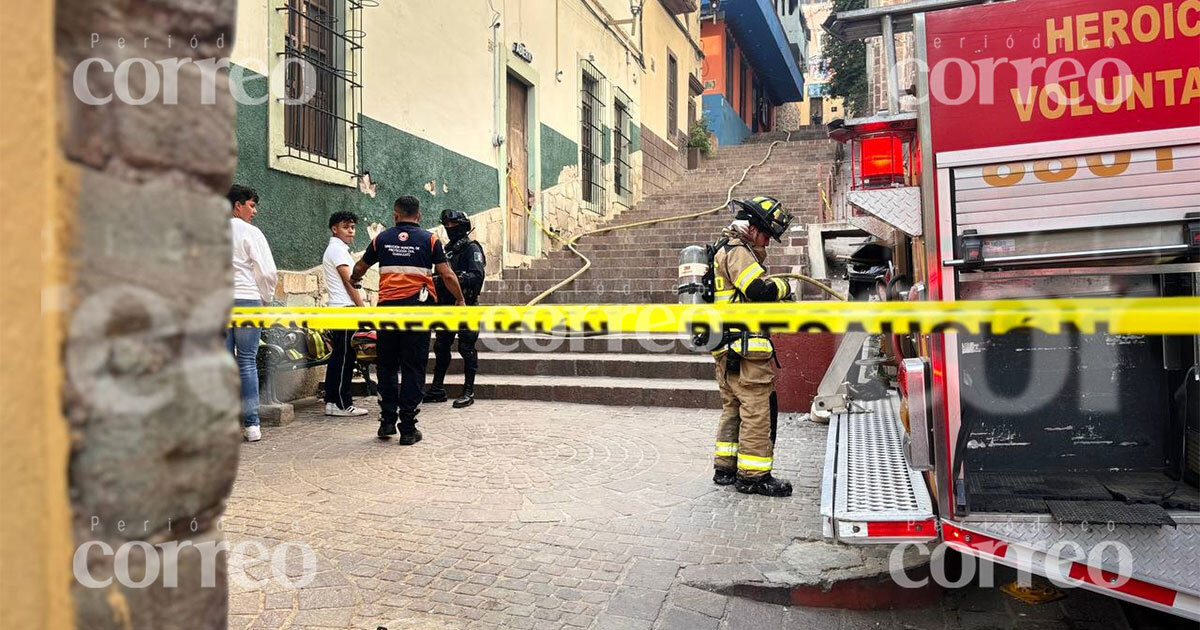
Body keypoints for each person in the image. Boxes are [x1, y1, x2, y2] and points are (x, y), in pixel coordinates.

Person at [351, 195, 465, 444]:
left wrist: (354, 281)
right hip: (418, 312)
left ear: (395, 215)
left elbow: (359, 268)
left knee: (387, 365)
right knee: (413, 367)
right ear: (419, 216)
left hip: (388, 312)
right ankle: (408, 429)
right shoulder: (430, 239)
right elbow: (446, 274)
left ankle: (387, 421)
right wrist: (460, 300)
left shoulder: (382, 238)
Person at [709, 195, 796, 497]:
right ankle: (754, 476)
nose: (768, 243)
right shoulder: (738, 251)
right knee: (758, 408)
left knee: (733, 407)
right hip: (746, 349)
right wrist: (786, 288)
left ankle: (726, 468)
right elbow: (759, 289)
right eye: (768, 236)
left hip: (726, 347)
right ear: (755, 229)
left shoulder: (723, 248)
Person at [227, 184, 278, 443]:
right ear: (238, 205)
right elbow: (267, 272)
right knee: (247, 362)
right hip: (247, 298)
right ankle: (252, 425)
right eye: (251, 205)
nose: (254, 211)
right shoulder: (251, 232)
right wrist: (266, 299)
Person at [424, 209, 486, 408]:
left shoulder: (472, 248)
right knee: (441, 346)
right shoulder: (447, 249)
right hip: (445, 306)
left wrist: (452, 279)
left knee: (466, 348)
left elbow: (477, 276)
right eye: (446, 225)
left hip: (465, 305)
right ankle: (437, 388)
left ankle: (468, 391)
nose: (450, 228)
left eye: (453, 225)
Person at [322, 210, 369, 417]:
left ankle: (333, 402)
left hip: (340, 308)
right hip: (344, 309)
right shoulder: (337, 250)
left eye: (352, 227)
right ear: (334, 229)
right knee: (345, 358)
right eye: (345, 227)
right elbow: (349, 283)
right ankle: (341, 403)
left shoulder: (338, 250)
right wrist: (362, 310)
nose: (350, 231)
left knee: (341, 356)